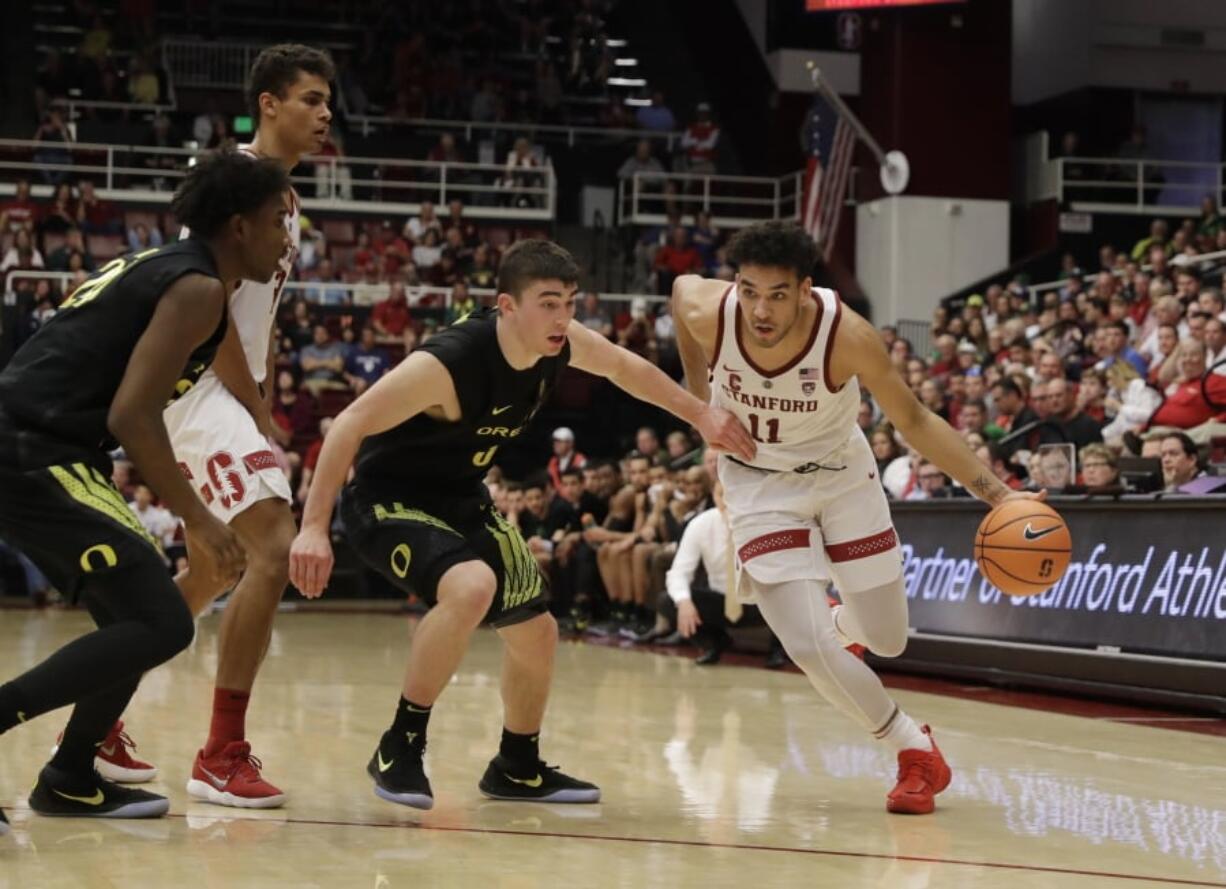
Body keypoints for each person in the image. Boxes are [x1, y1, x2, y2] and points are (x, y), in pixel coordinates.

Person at [288, 239, 753, 811]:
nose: (563, 318)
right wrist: (312, 526)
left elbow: (625, 368)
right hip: (387, 499)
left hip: (460, 498)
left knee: (538, 632)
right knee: (473, 586)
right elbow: (349, 422)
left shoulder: (561, 345)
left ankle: (516, 764)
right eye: (549, 303)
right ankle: (399, 746)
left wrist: (702, 414)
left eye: (571, 303)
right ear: (507, 306)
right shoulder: (451, 360)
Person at [671, 221, 1041, 815]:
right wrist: (700, 404)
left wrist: (999, 495)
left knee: (887, 639)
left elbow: (915, 422)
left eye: (777, 294)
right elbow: (679, 300)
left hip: (842, 474)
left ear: (806, 289)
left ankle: (843, 624)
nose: (760, 310)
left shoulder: (847, 336)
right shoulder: (705, 306)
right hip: (759, 484)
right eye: (748, 291)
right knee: (808, 644)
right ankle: (912, 748)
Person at [63, 44, 333, 810]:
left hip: (227, 386)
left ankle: (97, 719)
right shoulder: (236, 184)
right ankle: (221, 752)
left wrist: (267, 398)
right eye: (310, 100)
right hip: (197, 384)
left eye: (328, 103)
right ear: (269, 103)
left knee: (217, 568)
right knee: (273, 544)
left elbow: (260, 320)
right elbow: (214, 319)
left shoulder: (287, 198)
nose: (324, 116)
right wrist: (254, 409)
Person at [0, 150, 288, 825]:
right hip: (32, 445)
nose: (286, 238)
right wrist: (201, 516)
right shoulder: (197, 287)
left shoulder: (170, 269)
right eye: (278, 221)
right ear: (239, 225)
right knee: (160, 619)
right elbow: (132, 414)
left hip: (44, 442)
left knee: (138, 614)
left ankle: (71, 774)